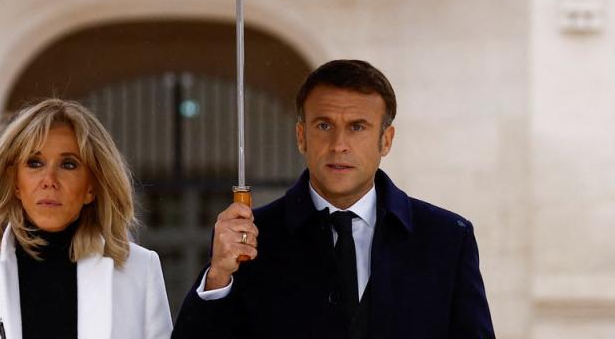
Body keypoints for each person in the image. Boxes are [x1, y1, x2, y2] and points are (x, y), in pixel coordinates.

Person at [172, 59, 495, 339]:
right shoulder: (252, 241)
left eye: (357, 127)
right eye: (324, 125)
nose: (339, 144)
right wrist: (218, 277)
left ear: (386, 140)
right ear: (302, 136)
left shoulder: (446, 238)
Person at [0, 98, 172, 339]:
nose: (49, 180)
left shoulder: (140, 269)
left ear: (91, 187)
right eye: (35, 163)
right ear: (15, 182)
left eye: (69, 165)